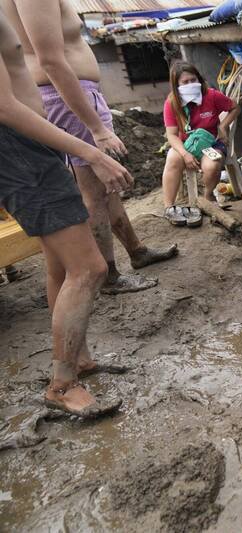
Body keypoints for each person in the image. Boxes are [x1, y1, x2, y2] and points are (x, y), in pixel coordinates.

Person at [0, 11, 133, 416]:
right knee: (89, 269)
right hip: (18, 148)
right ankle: (61, 385)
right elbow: (3, 107)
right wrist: (89, 149)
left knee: (60, 265)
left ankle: (80, 360)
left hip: (30, 146)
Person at [3, 0, 178, 294]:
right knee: (94, 191)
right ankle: (109, 275)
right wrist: (96, 127)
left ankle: (135, 251)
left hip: (73, 97)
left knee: (104, 185)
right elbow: (51, 61)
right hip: (69, 101)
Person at [161, 61, 240, 225]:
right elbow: (172, 135)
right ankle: (169, 208)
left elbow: (235, 107)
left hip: (211, 143)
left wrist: (223, 126)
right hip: (186, 145)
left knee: (212, 166)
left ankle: (207, 198)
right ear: (176, 85)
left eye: (193, 80)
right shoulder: (172, 103)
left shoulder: (211, 95)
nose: (191, 84)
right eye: (185, 82)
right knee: (172, 159)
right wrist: (185, 153)